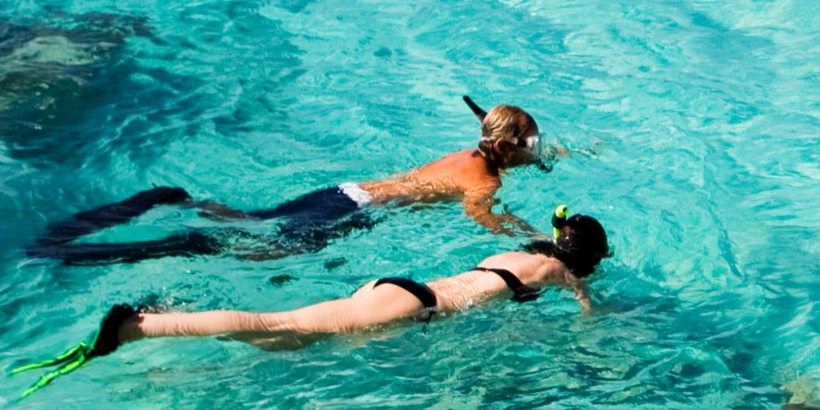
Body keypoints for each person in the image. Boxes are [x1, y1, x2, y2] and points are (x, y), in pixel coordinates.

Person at [14, 211, 609, 386]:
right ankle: (141, 326)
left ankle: (161, 326)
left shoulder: (516, 253)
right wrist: (598, 320)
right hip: (410, 309)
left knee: (287, 344)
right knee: (276, 322)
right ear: (580, 257)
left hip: (398, 290)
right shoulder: (554, 270)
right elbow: (583, 302)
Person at [30, 97, 554, 266]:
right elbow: (476, 213)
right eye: (534, 143)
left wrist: (561, 152)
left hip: (342, 191)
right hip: (355, 212)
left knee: (252, 220)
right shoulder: (485, 182)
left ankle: (177, 200)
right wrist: (526, 237)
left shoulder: (467, 152)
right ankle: (177, 242)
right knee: (262, 252)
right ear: (509, 149)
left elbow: (499, 145)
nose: (539, 150)